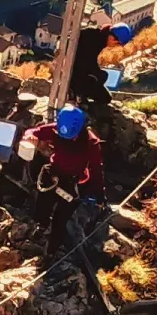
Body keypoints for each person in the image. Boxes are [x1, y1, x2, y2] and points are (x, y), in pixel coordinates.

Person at [26, 103, 105, 260]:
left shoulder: (91, 143)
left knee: (60, 219)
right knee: (42, 204)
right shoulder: (57, 129)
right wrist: (29, 137)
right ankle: (41, 226)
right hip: (54, 173)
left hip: (72, 182)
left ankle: (51, 252)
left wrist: (99, 195)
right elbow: (36, 131)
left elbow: (96, 170)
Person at [65, 20, 133, 114]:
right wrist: (99, 75)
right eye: (116, 43)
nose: (114, 45)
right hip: (72, 73)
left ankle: (80, 95)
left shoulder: (98, 37)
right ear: (112, 37)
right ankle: (78, 96)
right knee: (98, 81)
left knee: (105, 97)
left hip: (78, 70)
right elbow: (85, 64)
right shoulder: (92, 39)